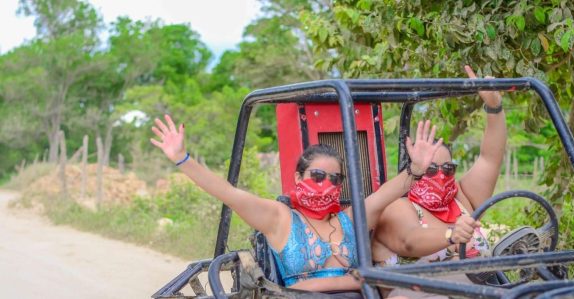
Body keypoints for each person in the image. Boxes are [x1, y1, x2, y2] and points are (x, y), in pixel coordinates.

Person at [150, 112, 443, 298]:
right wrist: (182, 159)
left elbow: (389, 191)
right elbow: (228, 193)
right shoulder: (280, 218)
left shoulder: (350, 219)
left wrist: (416, 169)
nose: (325, 184)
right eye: (316, 176)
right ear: (297, 177)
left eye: (333, 178)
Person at [371, 65, 507, 298]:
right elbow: (410, 241)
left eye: (448, 168)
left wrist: (494, 108)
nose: (441, 175)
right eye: (430, 169)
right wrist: (452, 235)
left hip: (472, 288)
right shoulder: (397, 206)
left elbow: (490, 158)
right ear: (414, 168)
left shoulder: (462, 198)